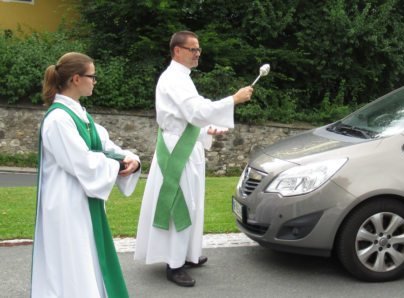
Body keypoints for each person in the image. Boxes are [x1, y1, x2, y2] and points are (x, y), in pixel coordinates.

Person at [134, 31, 253, 287]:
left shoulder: (182, 78)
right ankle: (174, 265)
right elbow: (197, 111)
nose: (197, 54)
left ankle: (187, 254)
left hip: (187, 144)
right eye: (193, 49)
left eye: (198, 49)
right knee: (181, 204)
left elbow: (188, 118)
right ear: (177, 51)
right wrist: (234, 99)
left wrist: (204, 131)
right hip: (177, 151)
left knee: (193, 202)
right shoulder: (174, 79)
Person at [31, 52, 141, 298]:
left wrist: (129, 158)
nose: (95, 81)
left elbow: (104, 145)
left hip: (81, 201)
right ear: (76, 79)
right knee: (72, 265)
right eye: (92, 76)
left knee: (87, 261)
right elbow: (82, 162)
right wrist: (118, 164)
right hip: (65, 205)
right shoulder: (58, 119)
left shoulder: (80, 114)